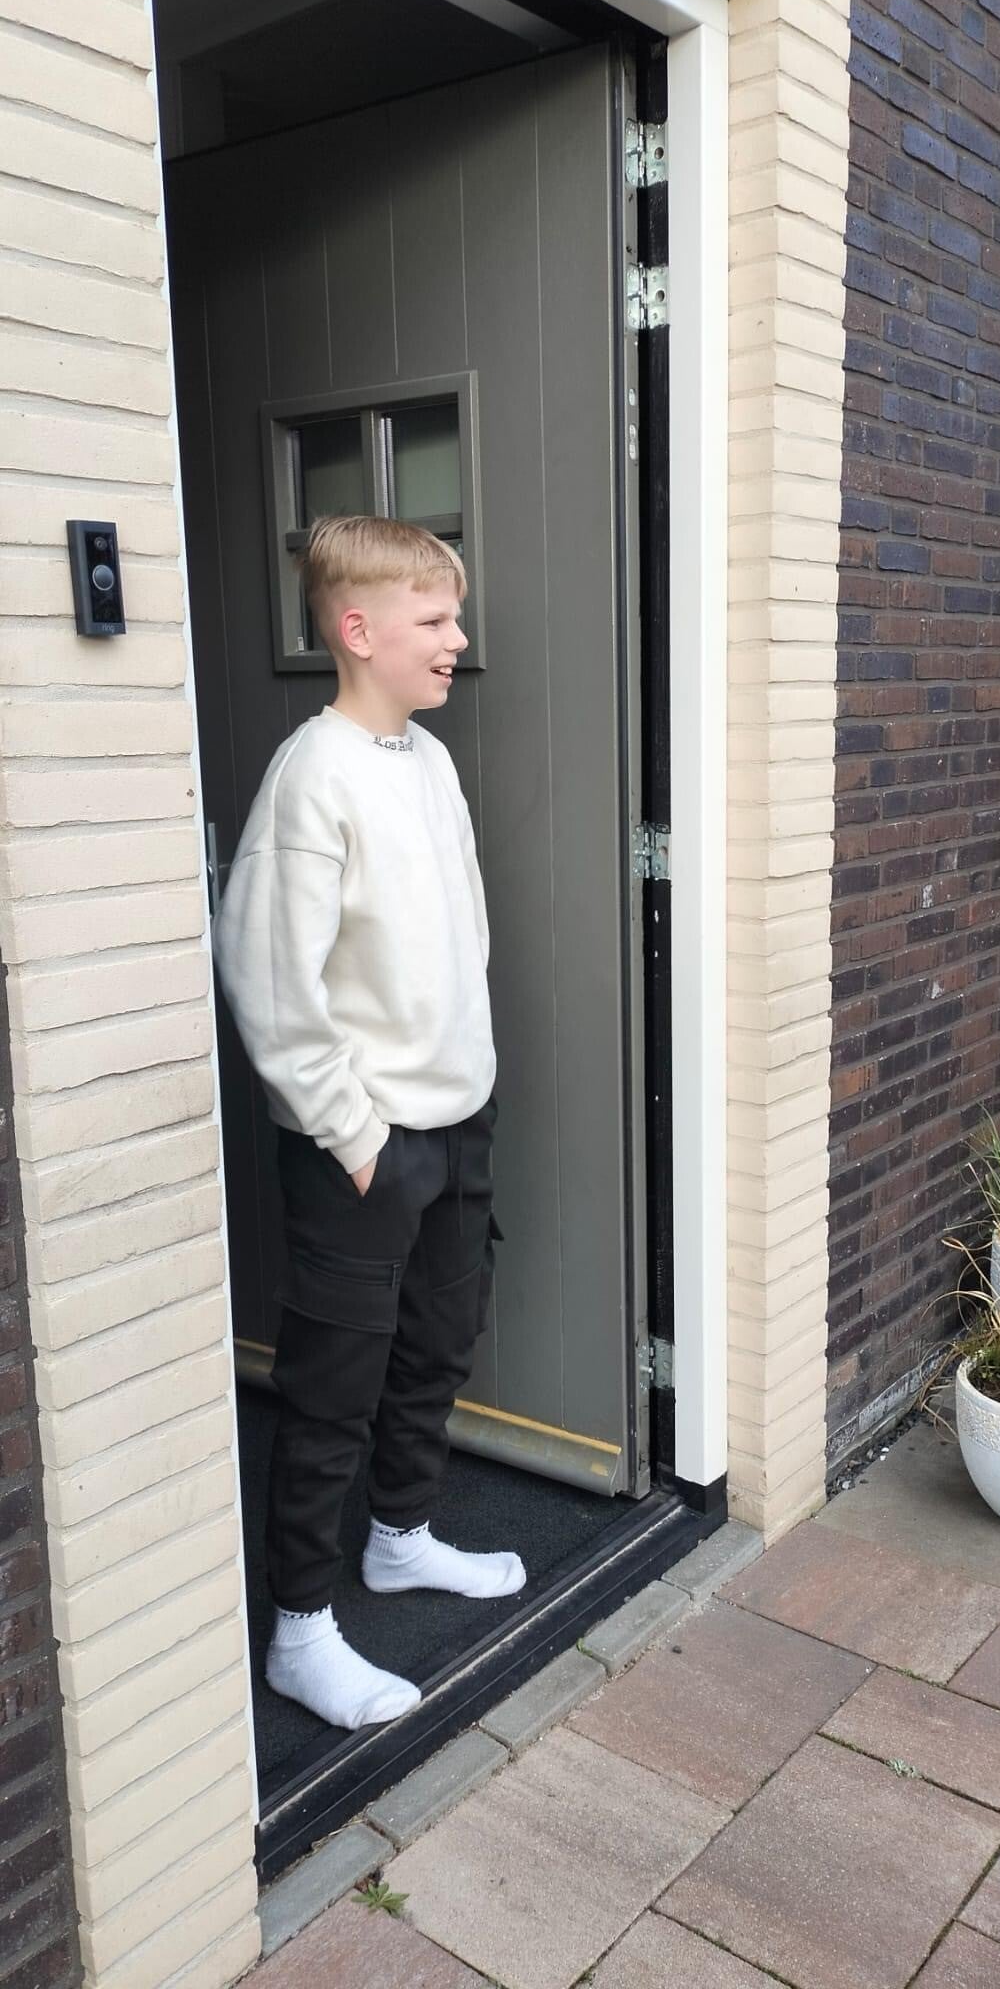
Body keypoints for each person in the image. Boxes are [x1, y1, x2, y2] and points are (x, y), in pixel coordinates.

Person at [213, 514, 524, 1732]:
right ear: (357, 628)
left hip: (455, 1122)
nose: (456, 637)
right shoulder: (314, 774)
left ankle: (399, 1538)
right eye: (433, 618)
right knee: (332, 1385)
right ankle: (300, 1630)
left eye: (453, 615)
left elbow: (461, 935)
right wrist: (357, 1138)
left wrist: (470, 1084)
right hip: (364, 1145)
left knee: (439, 1341)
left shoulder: (427, 760)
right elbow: (268, 979)